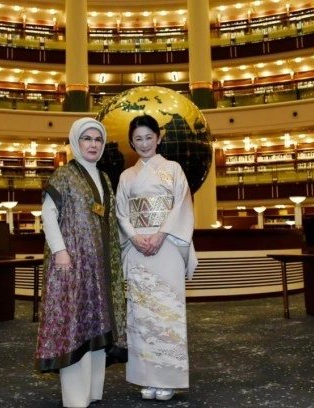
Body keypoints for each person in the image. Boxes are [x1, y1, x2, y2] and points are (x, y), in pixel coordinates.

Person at [35, 117, 127, 408]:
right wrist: (60, 251)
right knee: (74, 326)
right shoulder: (63, 175)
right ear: (76, 142)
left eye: (98, 139)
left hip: (99, 269)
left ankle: (93, 392)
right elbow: (49, 215)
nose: (93, 144)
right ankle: (76, 398)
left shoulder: (105, 178)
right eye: (87, 138)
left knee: (97, 326)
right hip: (71, 265)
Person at [115, 114, 197, 401]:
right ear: (131, 142)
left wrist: (161, 234)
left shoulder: (173, 169)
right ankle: (146, 378)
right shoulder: (127, 176)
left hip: (168, 244)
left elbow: (181, 204)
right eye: (138, 139)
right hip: (138, 247)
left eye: (149, 137)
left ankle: (169, 378)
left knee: (167, 309)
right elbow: (121, 213)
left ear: (159, 138)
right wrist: (134, 237)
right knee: (141, 314)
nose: (144, 143)